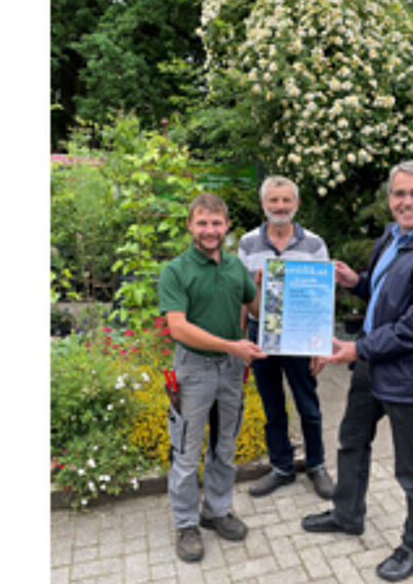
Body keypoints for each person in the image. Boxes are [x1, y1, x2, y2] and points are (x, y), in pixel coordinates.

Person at [301, 159, 413, 582]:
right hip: (373, 363)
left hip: (412, 374)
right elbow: (385, 292)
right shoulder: (393, 237)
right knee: (352, 440)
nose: (406, 201)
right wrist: (354, 282)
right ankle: (347, 514)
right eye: (399, 193)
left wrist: (356, 348)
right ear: (390, 199)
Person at [158, 192, 267, 563]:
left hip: (231, 370)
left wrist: (265, 286)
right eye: (202, 223)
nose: (209, 230)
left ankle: (216, 511)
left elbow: (256, 308)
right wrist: (231, 345)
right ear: (190, 225)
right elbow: (178, 328)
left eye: (216, 223)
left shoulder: (235, 267)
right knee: (186, 452)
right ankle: (187, 523)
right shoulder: (176, 271)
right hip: (194, 369)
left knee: (224, 446)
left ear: (226, 226)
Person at [238, 175, 335, 499]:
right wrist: (241, 339)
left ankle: (317, 465)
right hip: (262, 334)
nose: (280, 207)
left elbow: (322, 298)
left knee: (308, 405)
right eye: (273, 200)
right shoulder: (248, 243)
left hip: (301, 335)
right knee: (272, 405)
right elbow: (243, 299)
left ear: (296, 204)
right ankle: (281, 467)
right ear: (263, 204)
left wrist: (321, 346)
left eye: (286, 200)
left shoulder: (315, 245)